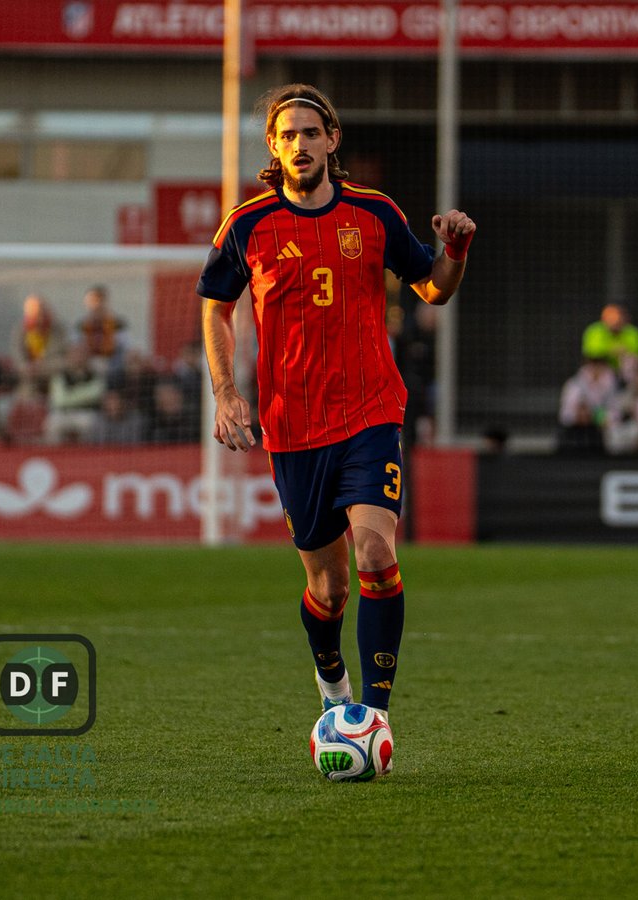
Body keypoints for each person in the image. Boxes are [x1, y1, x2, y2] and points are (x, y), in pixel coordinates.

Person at [200, 84, 474, 731]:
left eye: (310, 132)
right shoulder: (246, 226)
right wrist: (225, 391)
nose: (300, 144)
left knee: (376, 554)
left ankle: (373, 718)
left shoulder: (374, 214)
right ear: (273, 146)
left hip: (371, 415)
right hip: (293, 432)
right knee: (329, 589)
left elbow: (432, 289)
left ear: (332, 140)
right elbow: (216, 305)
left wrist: (455, 252)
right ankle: (331, 679)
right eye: (287, 135)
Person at [10, 293, 67, 397]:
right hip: (30, 380)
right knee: (26, 396)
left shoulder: (58, 330)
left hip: (55, 378)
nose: (38, 317)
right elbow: (17, 359)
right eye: (33, 313)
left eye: (41, 312)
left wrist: (41, 367)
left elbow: (65, 359)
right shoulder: (21, 331)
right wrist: (27, 368)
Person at [581, 303, 638, 377]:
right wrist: (612, 351)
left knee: (631, 362)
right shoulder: (595, 330)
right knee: (595, 366)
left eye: (617, 318)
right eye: (611, 318)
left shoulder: (633, 333)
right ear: (604, 318)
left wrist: (623, 352)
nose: (614, 322)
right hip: (603, 371)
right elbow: (591, 352)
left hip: (627, 372)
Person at [76, 285, 128, 374]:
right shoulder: (82, 325)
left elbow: (126, 347)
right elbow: (76, 348)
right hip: (87, 369)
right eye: (91, 302)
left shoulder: (117, 324)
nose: (96, 305)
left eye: (99, 301)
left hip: (114, 367)